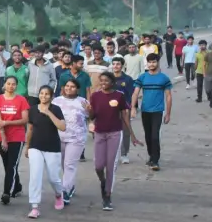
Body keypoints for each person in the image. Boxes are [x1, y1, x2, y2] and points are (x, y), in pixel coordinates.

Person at [88, 71, 138, 211]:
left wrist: (132, 135)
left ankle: (107, 196)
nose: (103, 83)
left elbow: (125, 116)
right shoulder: (95, 96)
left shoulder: (119, 96)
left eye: (106, 80)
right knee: (98, 166)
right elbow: (92, 116)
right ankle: (103, 182)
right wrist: (89, 111)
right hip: (99, 133)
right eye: (101, 80)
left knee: (111, 166)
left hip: (115, 133)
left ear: (112, 82)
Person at [24, 86, 65, 219]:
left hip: (52, 147)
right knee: (35, 176)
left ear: (51, 96)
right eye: (41, 93)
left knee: (53, 178)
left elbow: (62, 127)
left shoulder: (56, 109)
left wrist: (48, 113)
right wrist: (27, 146)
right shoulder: (33, 110)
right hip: (35, 146)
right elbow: (30, 129)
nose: (44, 96)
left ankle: (58, 194)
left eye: (47, 94)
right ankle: (35, 206)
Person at [0, 75, 29, 205]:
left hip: (17, 136)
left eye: (13, 84)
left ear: (17, 86)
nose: (11, 86)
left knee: (12, 165)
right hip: (2, 136)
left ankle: (6, 193)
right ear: (4, 85)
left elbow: (24, 120)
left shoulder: (21, 100)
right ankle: (17, 186)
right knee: (7, 165)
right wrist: (3, 138)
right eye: (8, 84)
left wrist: (7, 122)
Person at [133, 53, 173, 171]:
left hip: (157, 111)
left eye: (154, 62)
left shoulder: (164, 78)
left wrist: (168, 113)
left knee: (155, 136)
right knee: (148, 136)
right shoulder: (142, 77)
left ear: (158, 62)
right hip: (145, 110)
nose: (151, 64)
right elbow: (135, 93)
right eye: (149, 62)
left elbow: (168, 96)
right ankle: (151, 156)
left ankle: (155, 161)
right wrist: (133, 108)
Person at [54, 78, 91, 205]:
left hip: (76, 138)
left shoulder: (83, 102)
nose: (69, 88)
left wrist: (90, 111)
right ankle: (70, 185)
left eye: (72, 86)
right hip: (58, 138)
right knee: (63, 164)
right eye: (67, 86)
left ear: (78, 89)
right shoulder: (56, 101)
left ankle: (64, 191)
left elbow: (91, 117)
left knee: (70, 164)